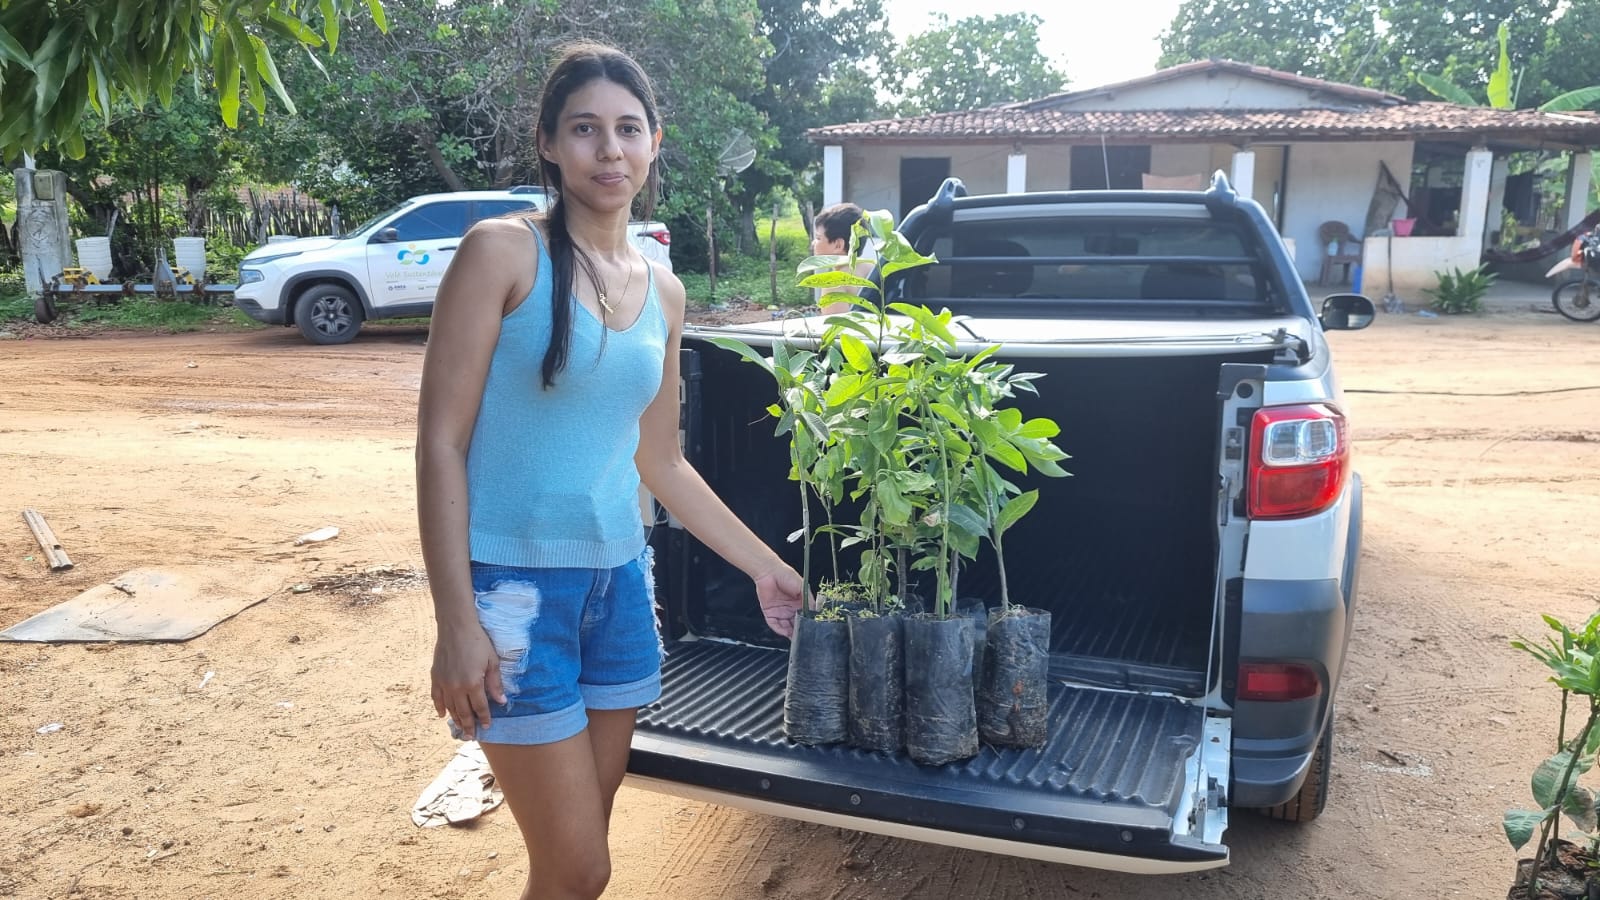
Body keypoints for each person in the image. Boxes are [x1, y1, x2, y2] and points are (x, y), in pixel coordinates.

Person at [414, 41, 804, 900]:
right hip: (512, 593)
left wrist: (766, 567)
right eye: (585, 129)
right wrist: (456, 622)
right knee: (579, 867)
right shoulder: (500, 253)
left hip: (621, 587)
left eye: (628, 129)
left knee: (579, 857)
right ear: (549, 143)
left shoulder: (664, 290)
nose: (609, 150)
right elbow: (440, 442)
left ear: (654, 143)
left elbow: (660, 459)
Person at [810, 201, 878, 315]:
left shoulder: (834, 282)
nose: (813, 243)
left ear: (838, 245)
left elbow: (835, 325)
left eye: (818, 238)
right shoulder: (875, 268)